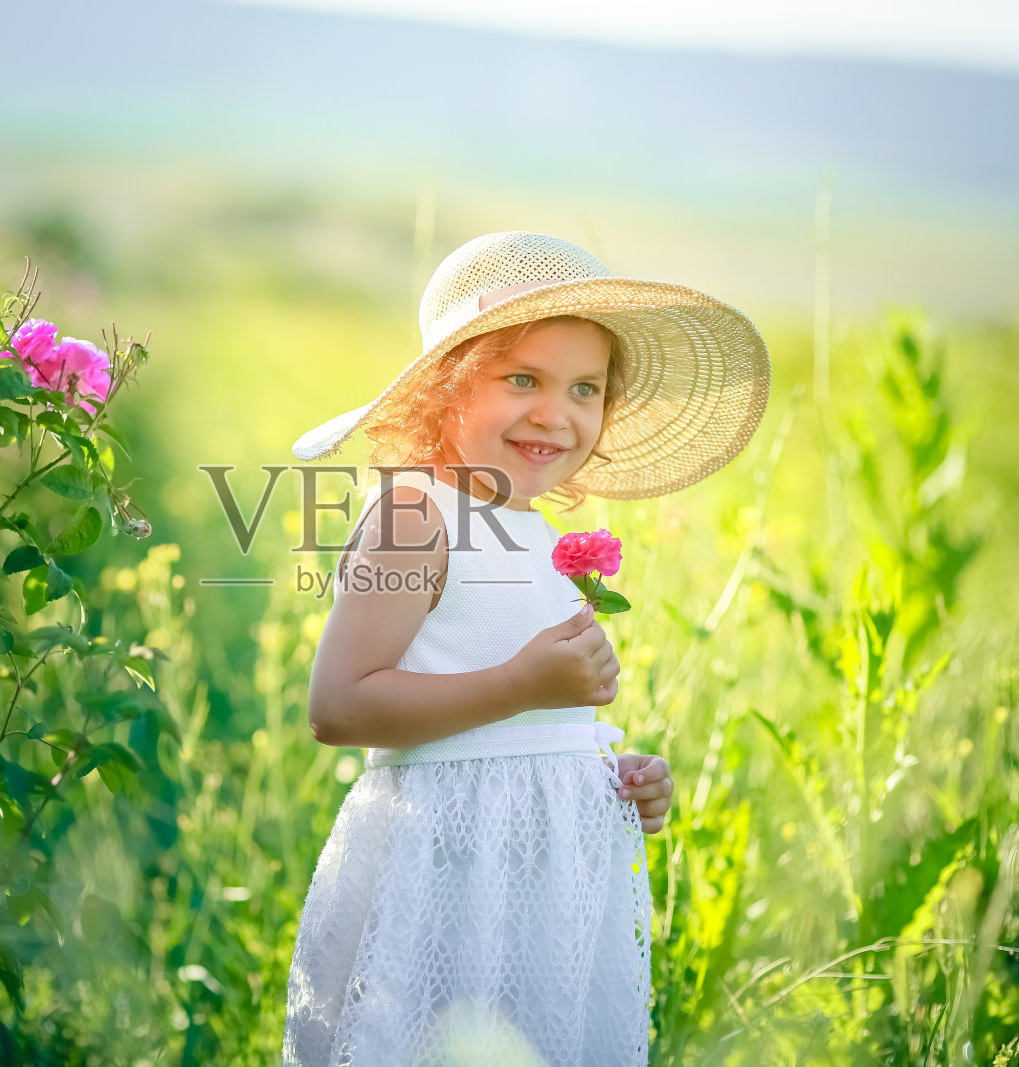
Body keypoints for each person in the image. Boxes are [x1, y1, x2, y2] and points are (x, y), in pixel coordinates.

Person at [283, 231, 772, 1066]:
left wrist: (617, 779)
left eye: (586, 388)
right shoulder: (416, 515)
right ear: (445, 388)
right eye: (522, 379)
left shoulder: (539, 542)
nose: (556, 412)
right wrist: (520, 682)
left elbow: (535, 730)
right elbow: (341, 705)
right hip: (444, 881)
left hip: (540, 900)